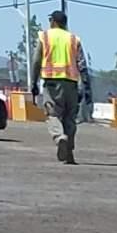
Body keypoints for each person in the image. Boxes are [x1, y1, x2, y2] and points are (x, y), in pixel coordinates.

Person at [36, 10, 87, 164]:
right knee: (69, 118)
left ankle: (59, 138)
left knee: (53, 115)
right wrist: (85, 87)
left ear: (53, 22)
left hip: (52, 83)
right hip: (71, 83)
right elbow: (82, 65)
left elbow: (35, 61)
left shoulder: (45, 37)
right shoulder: (74, 39)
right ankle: (69, 155)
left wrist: (33, 82)